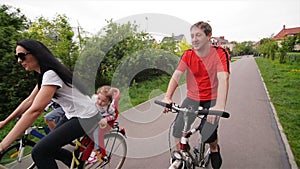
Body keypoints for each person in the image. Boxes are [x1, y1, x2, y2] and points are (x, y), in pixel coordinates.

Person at [0, 39, 101, 169]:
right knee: (44, 147)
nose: (19, 60)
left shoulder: (51, 74)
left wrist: (3, 145)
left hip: (86, 117)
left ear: (36, 53)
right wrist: (5, 122)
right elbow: (29, 101)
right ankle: (77, 164)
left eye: (22, 55)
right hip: (73, 114)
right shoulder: (44, 75)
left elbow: (35, 110)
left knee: (39, 152)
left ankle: (77, 163)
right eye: (17, 57)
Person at [162, 21, 230, 169]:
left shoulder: (219, 53)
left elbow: (223, 78)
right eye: (192, 36)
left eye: (198, 35)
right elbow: (176, 76)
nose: (194, 39)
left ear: (209, 36)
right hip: (193, 98)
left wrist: (219, 106)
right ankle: (181, 154)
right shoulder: (188, 55)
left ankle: (214, 149)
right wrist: (168, 97)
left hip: (212, 100)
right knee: (177, 128)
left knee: (208, 135)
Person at [88, 86, 117, 163]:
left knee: (97, 133)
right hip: (94, 115)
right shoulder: (94, 99)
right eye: (99, 99)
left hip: (102, 119)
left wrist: (106, 119)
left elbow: (113, 116)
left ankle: (96, 150)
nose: (100, 102)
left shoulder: (110, 108)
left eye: (103, 101)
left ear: (108, 102)